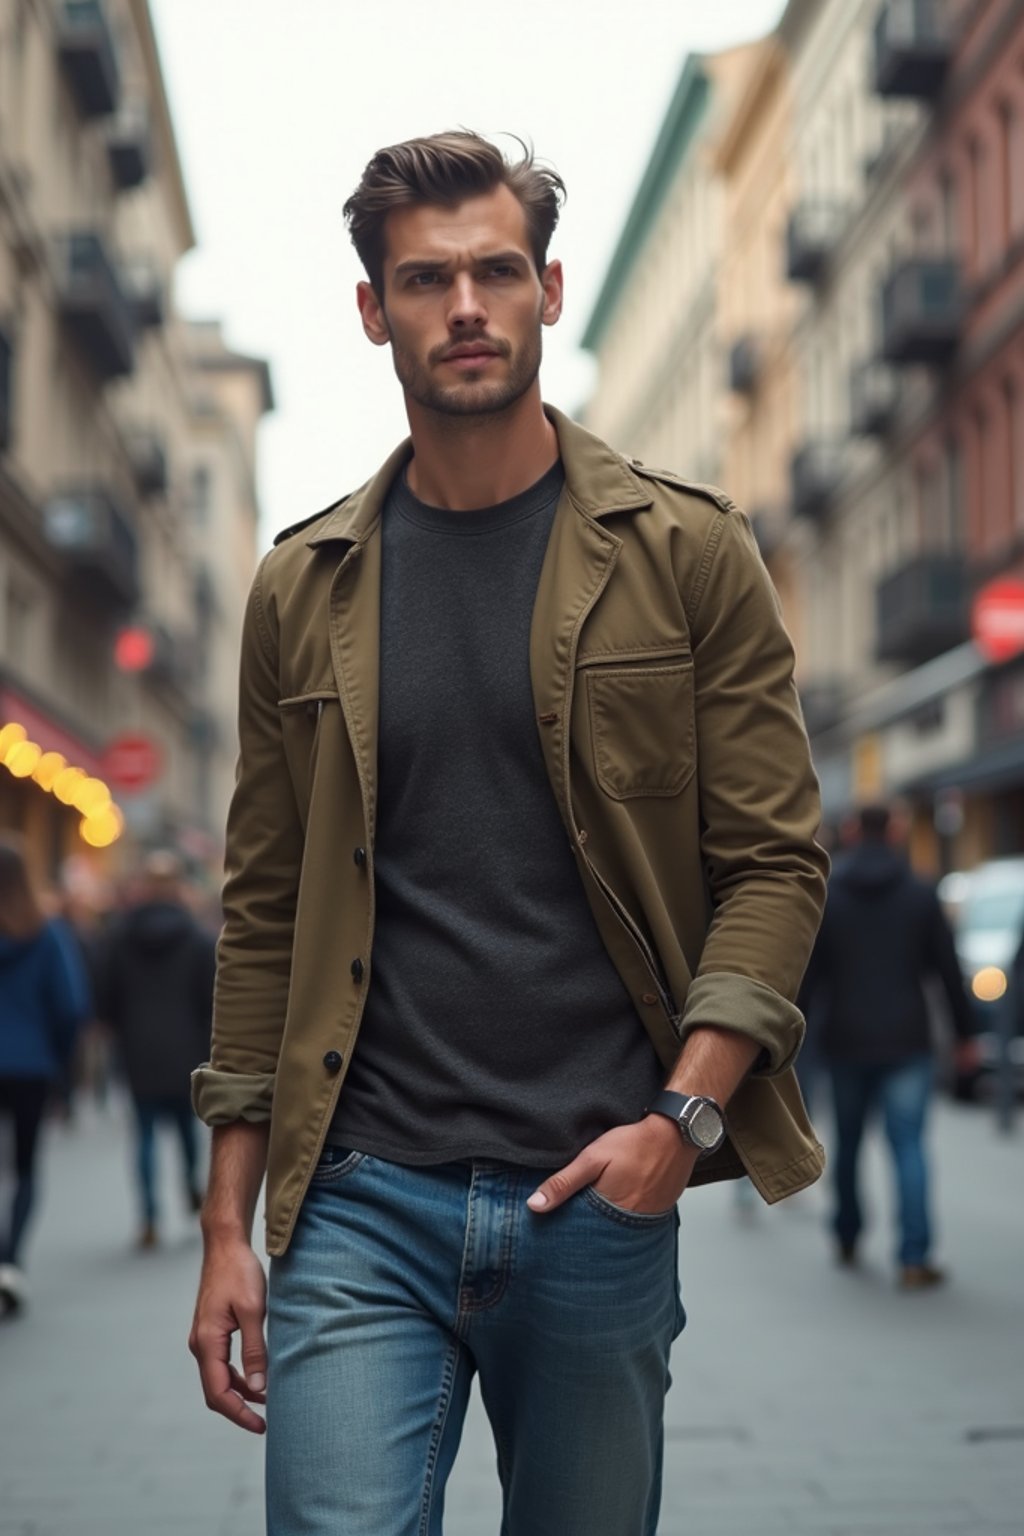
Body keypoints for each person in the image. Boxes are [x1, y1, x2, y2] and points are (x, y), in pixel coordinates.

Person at [188, 131, 828, 1535]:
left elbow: (775, 864)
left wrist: (679, 1121)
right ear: (375, 312)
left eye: (493, 272)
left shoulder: (688, 557)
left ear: (546, 288)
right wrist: (229, 1225)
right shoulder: (303, 588)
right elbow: (266, 914)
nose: (463, 307)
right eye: (425, 280)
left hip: (595, 1187)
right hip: (359, 1194)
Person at [804, 802, 978, 1289]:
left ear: (854, 831)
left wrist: (789, 1036)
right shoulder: (921, 893)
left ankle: (846, 1233)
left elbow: (810, 976)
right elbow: (948, 971)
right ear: (898, 830)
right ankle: (914, 1255)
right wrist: (965, 1037)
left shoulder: (830, 895)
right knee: (909, 1148)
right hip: (907, 1039)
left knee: (850, 1143)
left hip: (845, 1038)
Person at [97, 851, 215, 1248]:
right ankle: (190, 1188)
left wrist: (119, 1032)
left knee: (144, 1133)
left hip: (138, 1049)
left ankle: (149, 1216)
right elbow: (211, 998)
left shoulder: (120, 936)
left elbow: (106, 995)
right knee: (186, 1130)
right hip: (187, 1049)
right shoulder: (198, 938)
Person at [0, 836, 91, 1313]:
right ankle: (10, 1261)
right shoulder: (47, 932)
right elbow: (71, 1006)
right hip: (32, 1066)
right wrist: (60, 1066)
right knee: (25, 1167)